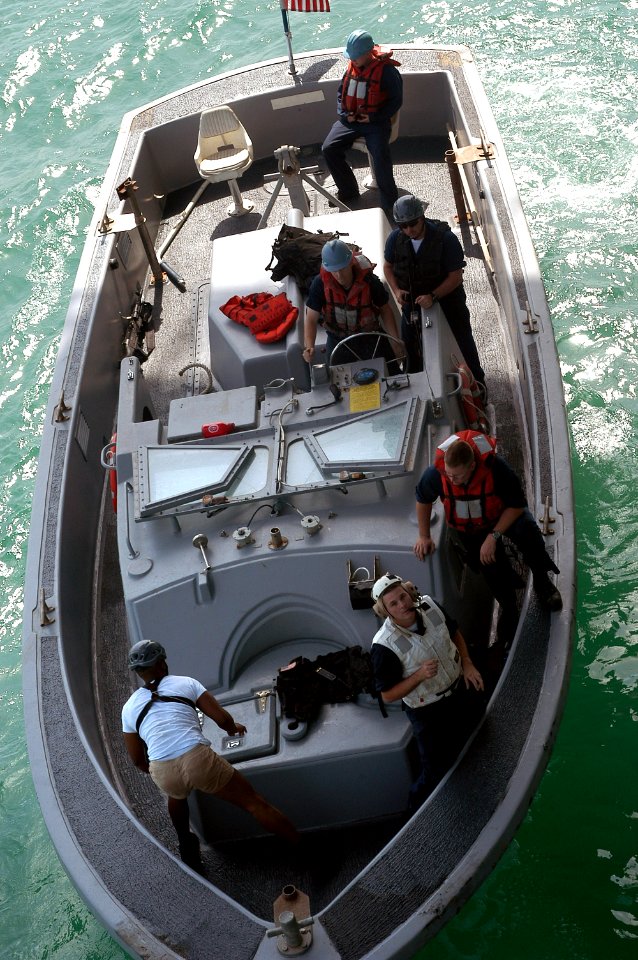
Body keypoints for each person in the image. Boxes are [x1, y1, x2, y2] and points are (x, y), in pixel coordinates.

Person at [122, 640, 298, 874]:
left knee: (176, 794)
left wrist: (157, 769)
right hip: (198, 759)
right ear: (162, 663)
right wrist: (233, 729)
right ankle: (307, 852)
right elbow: (221, 718)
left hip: (163, 769)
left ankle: (186, 843)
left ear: (139, 673)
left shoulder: (129, 708)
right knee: (254, 803)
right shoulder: (186, 683)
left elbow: (136, 758)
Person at [414, 431, 562, 641]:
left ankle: (542, 581)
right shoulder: (437, 473)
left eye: (457, 476)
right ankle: (509, 607)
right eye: (448, 475)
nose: (451, 480)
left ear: (472, 466)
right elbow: (423, 497)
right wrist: (424, 536)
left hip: (502, 515)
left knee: (529, 535)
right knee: (491, 568)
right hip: (471, 528)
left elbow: (517, 506)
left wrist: (493, 536)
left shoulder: (497, 469)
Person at [370, 573, 484, 808]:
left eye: (403, 596)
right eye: (394, 603)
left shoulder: (430, 606)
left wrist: (468, 663)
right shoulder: (384, 646)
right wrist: (419, 676)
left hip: (459, 689)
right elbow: (387, 695)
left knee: (478, 730)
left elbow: (454, 632)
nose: (403, 604)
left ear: (410, 592)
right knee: (434, 770)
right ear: (386, 611)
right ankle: (415, 814)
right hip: (427, 712)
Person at [383, 194, 486, 385]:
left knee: (463, 347)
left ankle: (478, 387)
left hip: (448, 304)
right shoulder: (395, 240)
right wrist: (397, 291)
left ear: (422, 218)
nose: (408, 230)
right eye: (402, 226)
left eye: (412, 223)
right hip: (412, 306)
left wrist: (433, 296)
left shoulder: (445, 239)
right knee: (411, 353)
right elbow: (388, 267)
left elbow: (455, 276)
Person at [322, 29, 403, 211]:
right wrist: (344, 114)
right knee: (329, 148)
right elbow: (340, 94)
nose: (353, 59)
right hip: (350, 120)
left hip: (375, 122)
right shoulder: (352, 66)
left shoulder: (387, 72)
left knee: (380, 156)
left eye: (356, 56)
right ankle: (348, 191)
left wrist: (373, 117)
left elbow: (396, 101)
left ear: (368, 53)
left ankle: (390, 204)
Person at [303, 238, 404, 366]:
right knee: (336, 379)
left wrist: (395, 341)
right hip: (337, 340)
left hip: (370, 337)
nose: (339, 275)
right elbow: (311, 318)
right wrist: (309, 346)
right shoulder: (319, 284)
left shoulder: (370, 281)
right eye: (334, 270)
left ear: (351, 262)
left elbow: (385, 310)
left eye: (342, 268)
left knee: (391, 368)